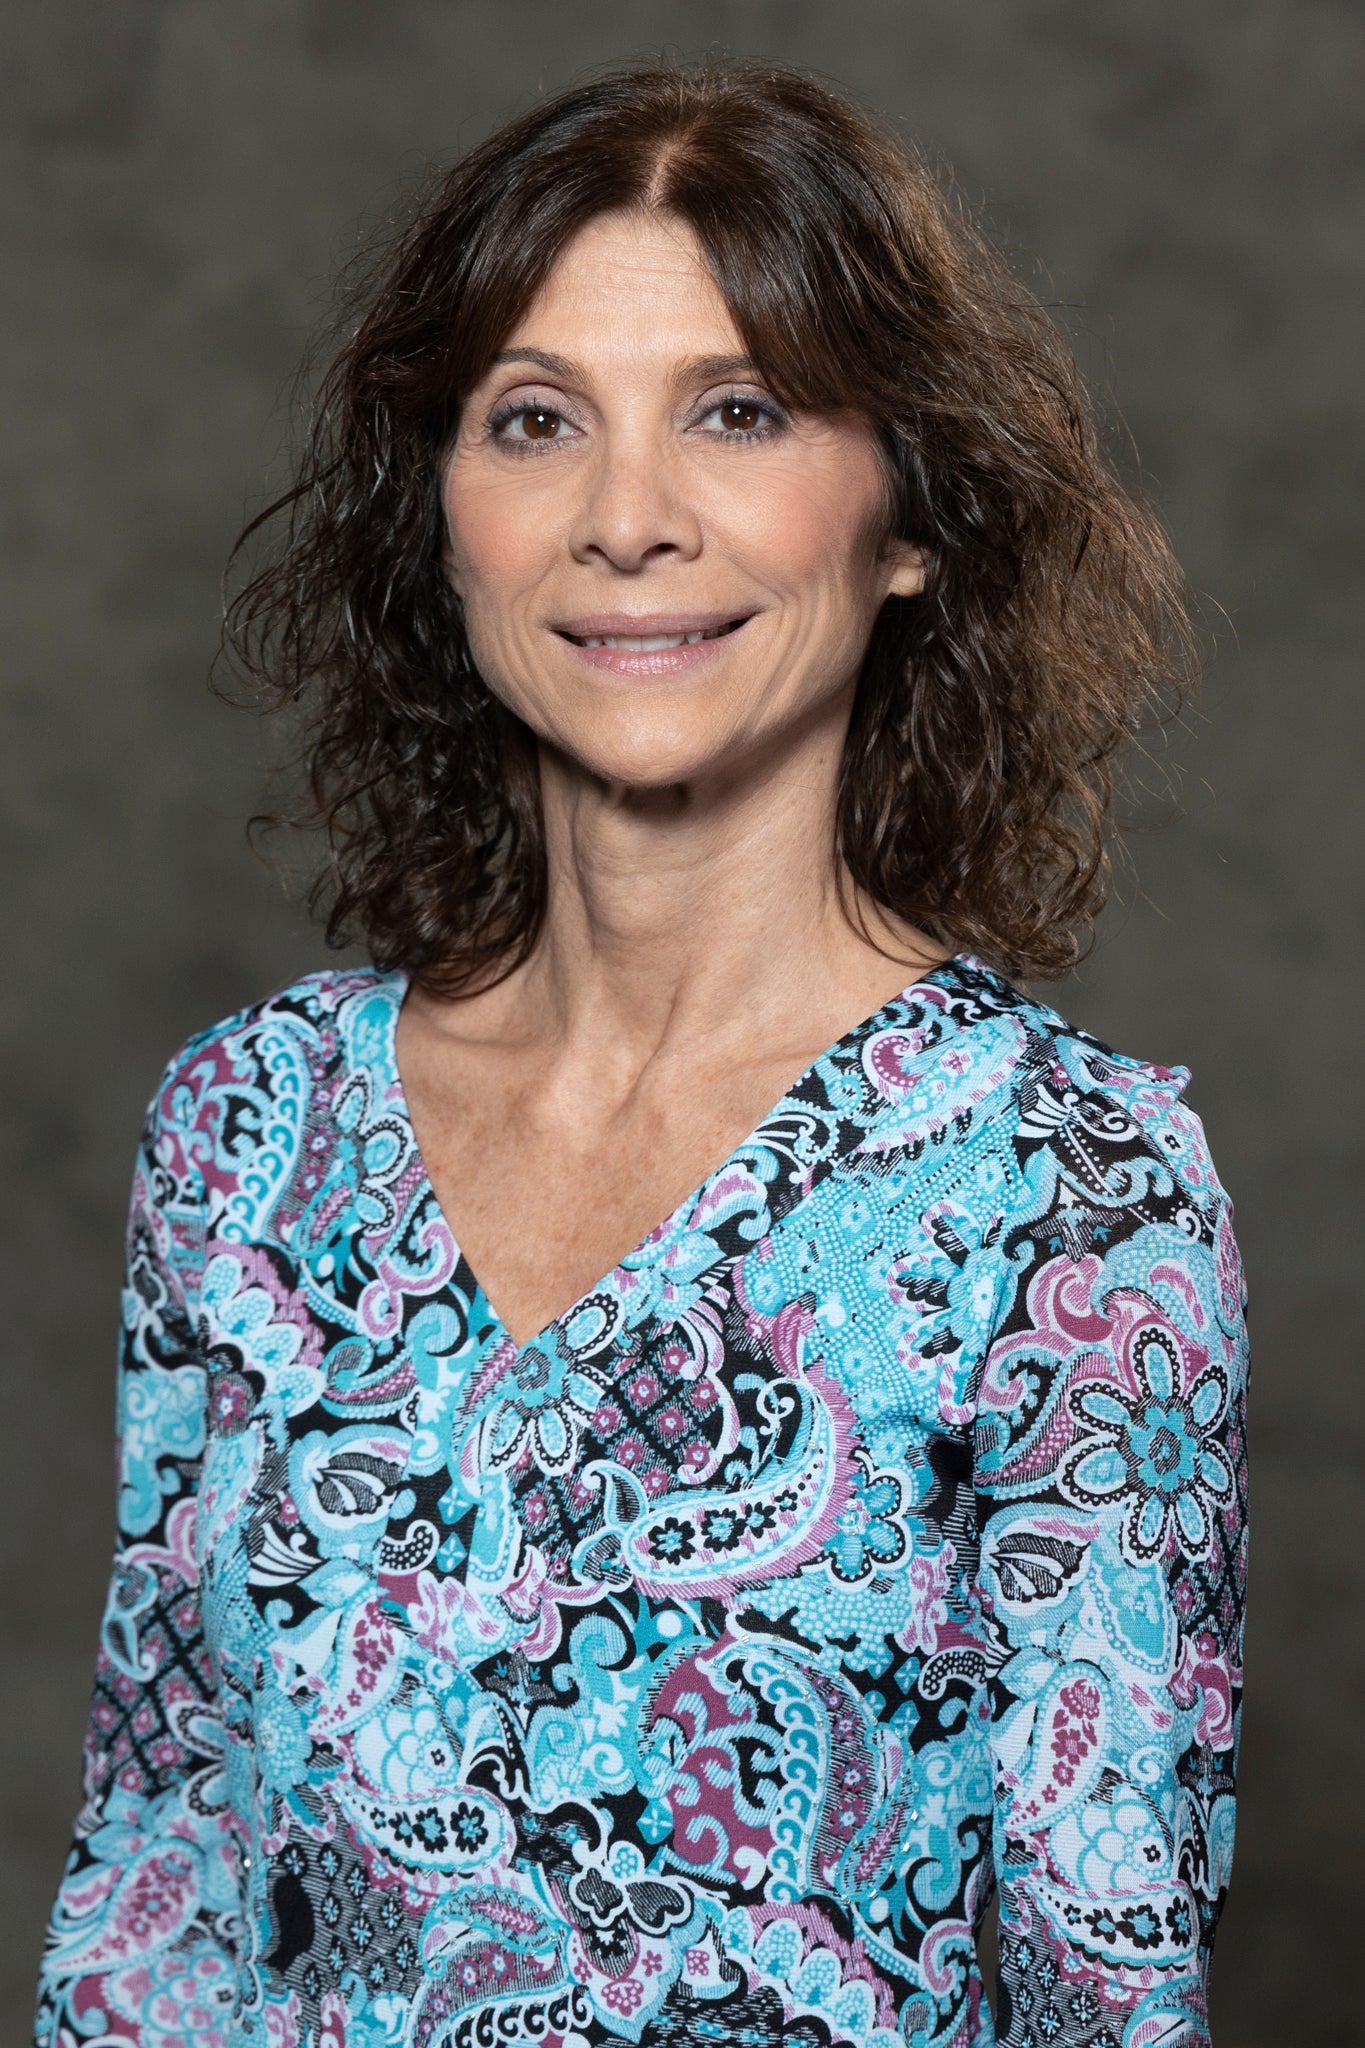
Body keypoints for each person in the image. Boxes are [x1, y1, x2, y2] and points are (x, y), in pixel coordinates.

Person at [35, 58, 1248, 2048]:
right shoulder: (248, 1132)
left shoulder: (1068, 1191)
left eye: (738, 411)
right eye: (534, 423)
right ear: (444, 523)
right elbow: (155, 1895)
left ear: (909, 521)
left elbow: (1103, 1992)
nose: (624, 518)